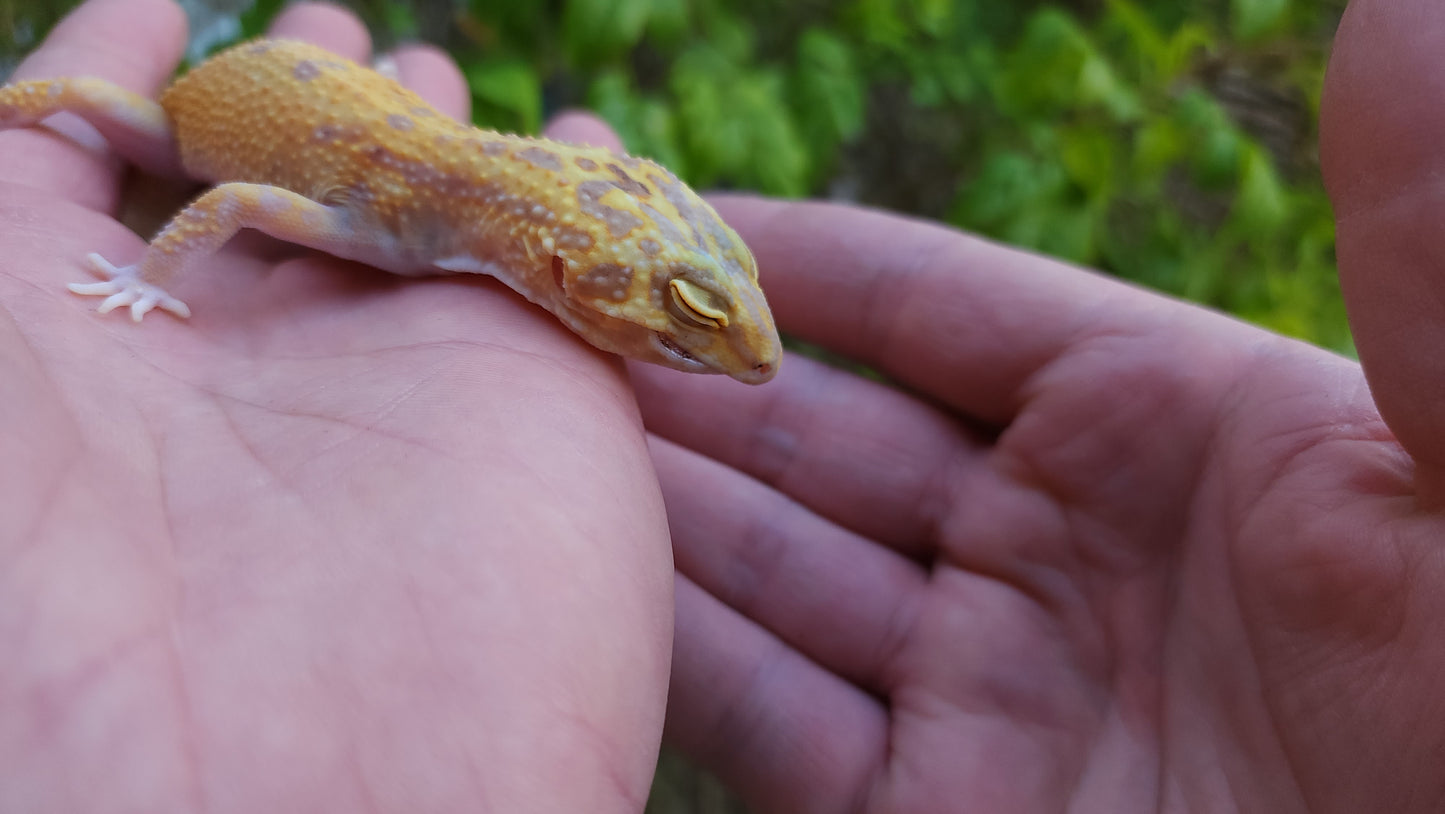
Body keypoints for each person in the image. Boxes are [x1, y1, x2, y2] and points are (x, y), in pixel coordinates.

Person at [0, 0, 1434, 811]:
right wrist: (143, 280)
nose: (731, 347)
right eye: (683, 313)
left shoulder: (469, 215)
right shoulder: (397, 216)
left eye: (706, 296)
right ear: (563, 267)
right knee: (80, 104)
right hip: (239, 109)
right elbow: (234, 199)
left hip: (337, 94)